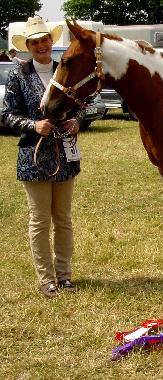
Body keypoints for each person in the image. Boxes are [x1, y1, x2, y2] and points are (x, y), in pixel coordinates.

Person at [1, 16, 85, 298]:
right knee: (40, 221)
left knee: (63, 218)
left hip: (64, 156)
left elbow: (82, 102)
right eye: (35, 42)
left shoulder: (66, 69)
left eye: (45, 40)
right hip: (33, 158)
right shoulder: (18, 75)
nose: (41, 45)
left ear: (51, 41)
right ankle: (46, 279)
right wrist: (33, 126)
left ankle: (65, 275)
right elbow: (6, 115)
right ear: (27, 45)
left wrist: (77, 120)